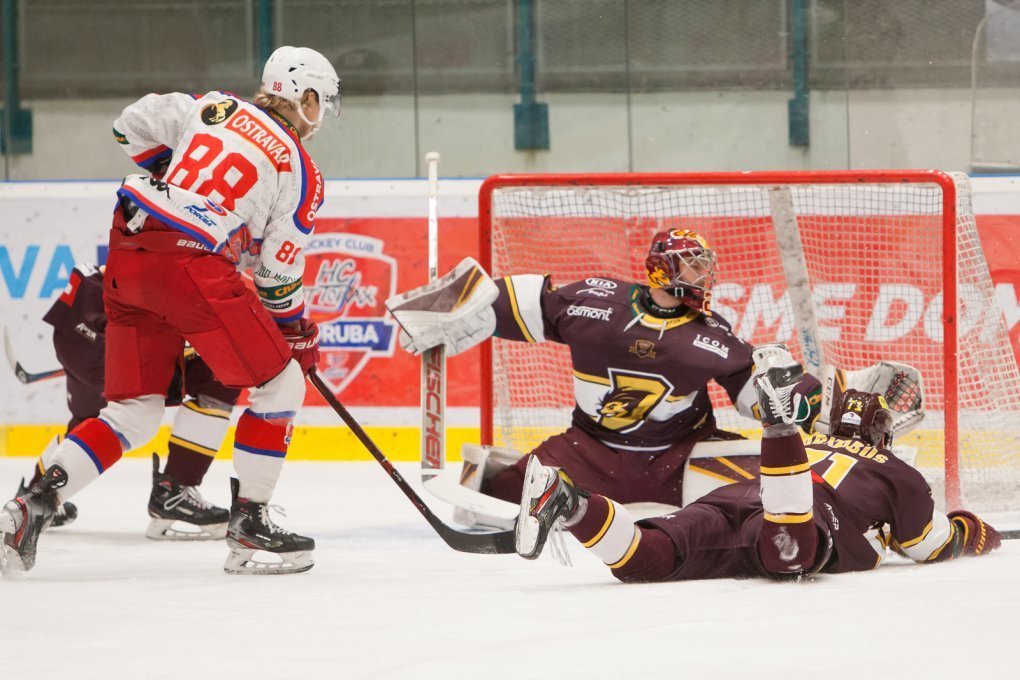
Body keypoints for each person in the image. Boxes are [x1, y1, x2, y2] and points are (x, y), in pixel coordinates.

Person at [0, 45, 341, 576]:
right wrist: (296, 332)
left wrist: (172, 174)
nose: (319, 119)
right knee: (281, 385)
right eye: (319, 105)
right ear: (305, 97)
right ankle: (250, 528)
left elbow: (127, 126)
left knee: (132, 413)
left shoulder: (212, 108)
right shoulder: (300, 168)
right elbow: (276, 276)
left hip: (129, 247)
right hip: (192, 264)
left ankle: (32, 505)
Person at [391, 230, 823, 522]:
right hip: (589, 452)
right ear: (663, 270)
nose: (703, 275)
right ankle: (496, 475)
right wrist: (453, 309)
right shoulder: (594, 303)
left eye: (702, 265)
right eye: (692, 266)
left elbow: (758, 395)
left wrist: (792, 395)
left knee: (784, 496)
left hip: (681, 456)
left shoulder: (711, 334)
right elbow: (510, 303)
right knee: (485, 502)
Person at [515, 344, 1002, 581]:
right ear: (886, 430)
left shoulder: (820, 441)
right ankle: (776, 425)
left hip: (732, 498)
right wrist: (980, 530)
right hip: (795, 518)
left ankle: (570, 503)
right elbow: (934, 546)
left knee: (645, 559)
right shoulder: (900, 474)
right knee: (787, 555)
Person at [12, 262, 240, 540]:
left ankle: (34, 497)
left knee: (91, 422)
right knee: (215, 377)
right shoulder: (215, 250)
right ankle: (174, 490)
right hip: (101, 320)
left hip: (80, 321)